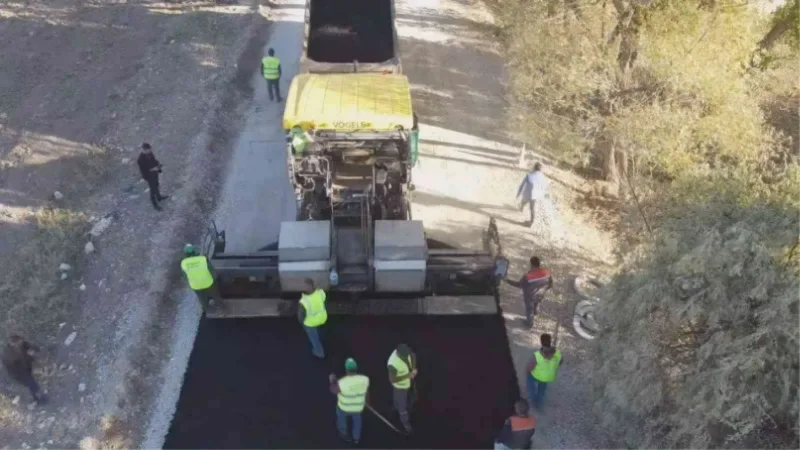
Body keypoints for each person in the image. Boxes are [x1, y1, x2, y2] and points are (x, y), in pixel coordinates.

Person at [329, 358, 370, 444]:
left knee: (342, 419)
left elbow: (333, 390)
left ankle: (344, 433)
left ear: (346, 369)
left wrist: (333, 380)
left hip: (344, 407)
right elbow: (367, 392)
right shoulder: (364, 379)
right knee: (357, 422)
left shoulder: (341, 382)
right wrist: (366, 402)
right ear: (356, 368)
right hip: (358, 407)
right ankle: (356, 438)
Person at [1, 334, 47, 403]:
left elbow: (35, 349)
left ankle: (38, 398)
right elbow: (11, 365)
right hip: (18, 372)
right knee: (32, 384)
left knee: (32, 384)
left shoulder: (24, 344)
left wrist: (33, 352)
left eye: (19, 342)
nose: (18, 344)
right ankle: (39, 399)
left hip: (26, 368)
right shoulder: (8, 352)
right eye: (16, 343)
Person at [180, 244, 222, 311]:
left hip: (195, 285)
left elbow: (185, 276)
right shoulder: (202, 259)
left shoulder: (183, 263)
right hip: (208, 282)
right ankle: (220, 307)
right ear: (194, 251)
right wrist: (217, 278)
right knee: (215, 295)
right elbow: (211, 270)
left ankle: (208, 309)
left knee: (202, 299)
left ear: (185, 253)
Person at [526, 333, 562, 410]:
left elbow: (530, 367)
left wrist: (527, 372)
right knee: (542, 386)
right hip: (548, 377)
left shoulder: (538, 355)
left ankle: (531, 399)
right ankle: (539, 402)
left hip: (536, 376)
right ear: (550, 341)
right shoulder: (557, 353)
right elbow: (560, 362)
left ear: (541, 342)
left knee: (529, 379)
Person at [387, 343, 417, 434]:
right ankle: (406, 423)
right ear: (398, 354)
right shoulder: (392, 363)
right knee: (402, 407)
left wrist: (413, 368)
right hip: (400, 387)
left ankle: (397, 406)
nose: (406, 356)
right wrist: (408, 375)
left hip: (410, 383)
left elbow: (413, 355)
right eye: (404, 356)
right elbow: (392, 380)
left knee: (412, 397)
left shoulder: (407, 351)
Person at [298, 278, 327, 358]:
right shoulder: (320, 293)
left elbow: (300, 317)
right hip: (322, 318)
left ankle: (319, 352)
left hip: (310, 323)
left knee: (314, 338)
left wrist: (303, 325)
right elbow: (324, 300)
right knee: (320, 332)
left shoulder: (303, 301)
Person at [516, 162, 549, 227]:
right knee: (532, 207)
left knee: (525, 202)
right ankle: (531, 221)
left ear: (534, 168)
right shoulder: (543, 177)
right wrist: (546, 195)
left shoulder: (529, 175)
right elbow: (545, 188)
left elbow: (521, 186)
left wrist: (518, 194)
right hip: (538, 194)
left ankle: (522, 209)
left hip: (529, 194)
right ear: (540, 170)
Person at [137, 142, 168, 211]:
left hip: (154, 173)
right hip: (148, 176)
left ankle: (159, 197)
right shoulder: (140, 159)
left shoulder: (150, 153)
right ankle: (155, 205)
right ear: (145, 150)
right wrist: (153, 169)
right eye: (149, 150)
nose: (150, 151)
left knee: (157, 184)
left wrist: (158, 164)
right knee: (153, 189)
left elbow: (154, 160)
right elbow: (144, 170)